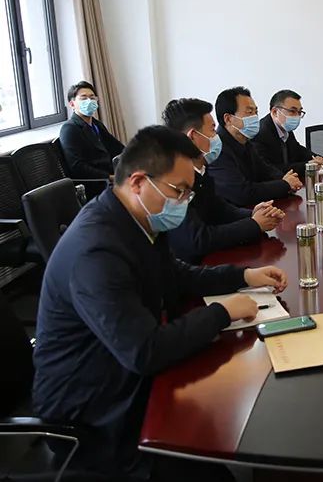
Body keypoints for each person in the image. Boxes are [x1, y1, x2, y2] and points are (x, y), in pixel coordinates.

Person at [32, 126, 289, 481]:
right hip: (95, 414)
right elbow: (145, 351)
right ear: (138, 182)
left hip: (123, 374)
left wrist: (243, 276)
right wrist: (221, 313)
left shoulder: (132, 219)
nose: (184, 201)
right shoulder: (96, 251)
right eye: (179, 191)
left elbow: (176, 275)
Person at [162, 98, 285, 263]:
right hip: (187, 269)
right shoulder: (170, 181)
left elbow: (219, 209)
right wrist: (254, 225)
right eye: (212, 130)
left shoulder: (199, 170)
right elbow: (197, 239)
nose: (216, 136)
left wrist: (253, 213)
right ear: (193, 136)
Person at [207, 86, 303, 207]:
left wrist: (286, 179)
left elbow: (266, 171)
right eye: (249, 112)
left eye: (256, 112)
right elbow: (242, 193)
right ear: (228, 119)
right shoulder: (217, 150)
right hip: (235, 214)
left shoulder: (246, 142)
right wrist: (285, 184)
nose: (255, 117)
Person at [59, 80, 125, 178]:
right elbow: (77, 167)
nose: (89, 101)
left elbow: (117, 147)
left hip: (113, 173)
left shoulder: (96, 124)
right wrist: (109, 177)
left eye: (92, 97)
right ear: (72, 104)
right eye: (84, 98)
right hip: (97, 181)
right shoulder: (69, 129)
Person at [252, 89, 323, 175]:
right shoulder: (259, 134)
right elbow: (270, 169)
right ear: (275, 112)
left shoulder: (284, 127)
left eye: (299, 112)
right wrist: (308, 165)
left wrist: (317, 158)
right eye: (292, 111)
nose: (297, 116)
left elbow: (297, 149)